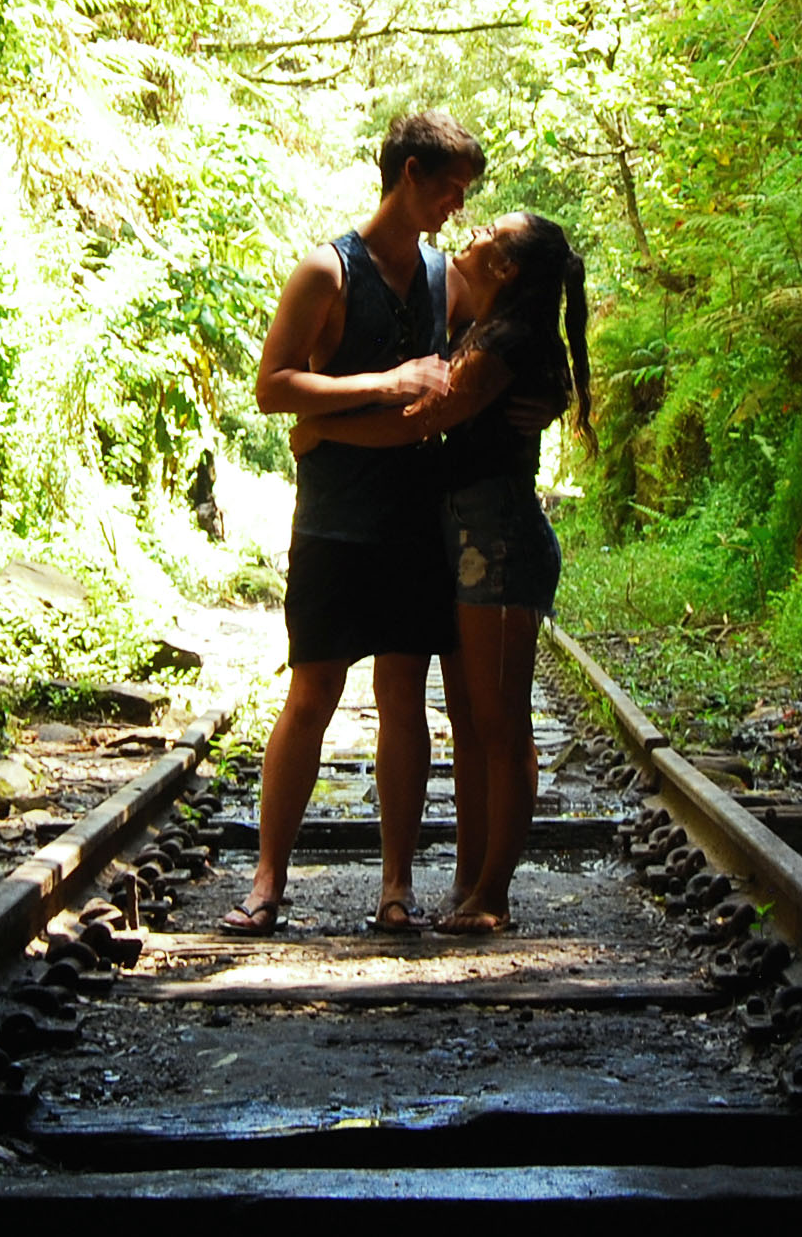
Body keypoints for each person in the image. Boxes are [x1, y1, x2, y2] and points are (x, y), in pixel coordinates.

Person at [219, 113, 486, 934]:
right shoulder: (325, 271)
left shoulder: (448, 279)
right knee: (313, 694)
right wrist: (383, 384)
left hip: (415, 520)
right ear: (408, 173)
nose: (455, 204)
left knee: (405, 694)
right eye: (447, 187)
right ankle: (267, 881)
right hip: (335, 520)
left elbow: (460, 386)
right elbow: (272, 388)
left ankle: (396, 887)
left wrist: (340, 419)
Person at [292, 210, 589, 934]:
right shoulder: (483, 321)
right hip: (469, 542)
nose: (475, 224)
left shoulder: (507, 340)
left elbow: (422, 417)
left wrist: (323, 427)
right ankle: (470, 884)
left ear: (508, 266)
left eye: (493, 226)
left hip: (499, 542)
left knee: (499, 724)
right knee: (474, 721)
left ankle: (491, 894)